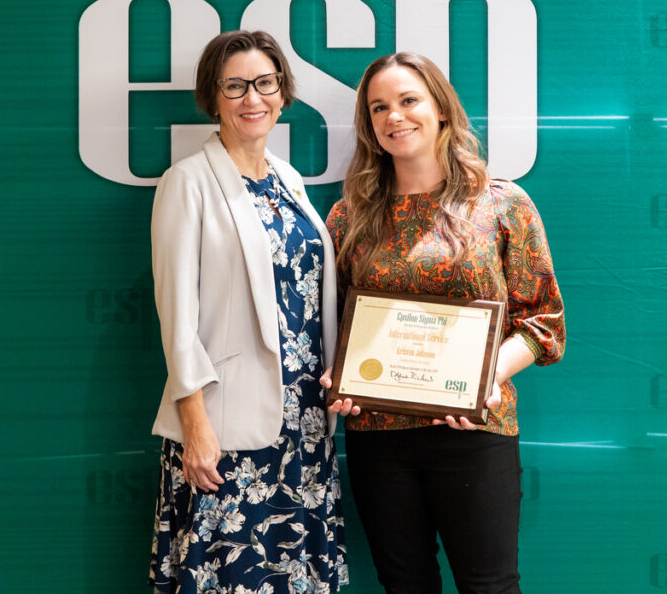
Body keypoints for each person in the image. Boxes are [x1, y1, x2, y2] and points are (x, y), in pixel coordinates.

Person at [321, 52, 565, 594]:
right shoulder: (348, 216)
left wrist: (479, 382)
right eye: (379, 107)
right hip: (377, 436)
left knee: (490, 587)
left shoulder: (502, 204)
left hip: (474, 430)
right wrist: (336, 377)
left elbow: (544, 323)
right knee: (404, 586)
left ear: (442, 111)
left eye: (409, 100)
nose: (394, 116)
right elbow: (334, 329)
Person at [148, 30, 348, 593]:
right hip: (227, 425)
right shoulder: (187, 182)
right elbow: (176, 314)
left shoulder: (289, 180)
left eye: (265, 83)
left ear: (283, 92)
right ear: (212, 98)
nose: (251, 98)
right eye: (234, 86)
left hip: (304, 424)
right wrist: (194, 425)